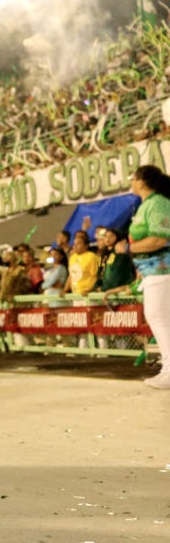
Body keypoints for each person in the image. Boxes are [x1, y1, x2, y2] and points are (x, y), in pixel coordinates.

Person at [125, 165, 170, 389]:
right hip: (153, 271)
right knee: (162, 318)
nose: (131, 182)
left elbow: (159, 240)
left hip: (162, 270)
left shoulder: (158, 204)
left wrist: (127, 249)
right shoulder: (148, 205)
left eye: (132, 178)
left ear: (141, 181)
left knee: (157, 317)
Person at [97, 226, 136, 293]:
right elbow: (100, 273)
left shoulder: (122, 254)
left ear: (118, 237)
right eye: (106, 236)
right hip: (105, 291)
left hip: (121, 291)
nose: (108, 239)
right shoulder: (104, 255)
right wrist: (97, 286)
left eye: (111, 236)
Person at [66, 230, 100, 295]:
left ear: (86, 245)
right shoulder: (72, 257)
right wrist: (65, 289)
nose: (75, 246)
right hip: (75, 293)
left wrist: (90, 290)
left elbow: (96, 276)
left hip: (87, 294)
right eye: (74, 244)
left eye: (78, 244)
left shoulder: (91, 256)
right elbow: (71, 276)